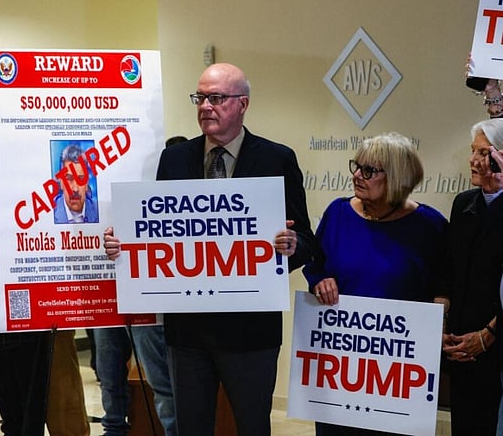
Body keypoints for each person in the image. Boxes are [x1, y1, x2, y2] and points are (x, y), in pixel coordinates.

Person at [104, 62, 316, 435]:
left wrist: (291, 245)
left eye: (216, 98)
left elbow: (306, 243)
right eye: (200, 97)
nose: (205, 106)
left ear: (243, 104)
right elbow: (160, 232)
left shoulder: (276, 159)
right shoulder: (174, 159)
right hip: (188, 332)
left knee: (252, 426)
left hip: (251, 333)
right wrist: (126, 246)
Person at [303, 132, 447, 435]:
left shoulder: (430, 225)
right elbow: (315, 263)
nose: (357, 175)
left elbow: (446, 284)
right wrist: (319, 280)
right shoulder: (338, 213)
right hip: (340, 363)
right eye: (357, 166)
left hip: (397, 370)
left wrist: (441, 309)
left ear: (397, 176)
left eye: (369, 170)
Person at [434, 119, 503, 435]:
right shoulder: (464, 204)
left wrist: (487, 336)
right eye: (473, 151)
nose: (473, 160)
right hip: (460, 348)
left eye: (483, 153)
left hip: (495, 350)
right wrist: (444, 326)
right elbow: (448, 270)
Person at [53, 143, 99, 224]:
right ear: (61, 182)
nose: (75, 189)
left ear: (86, 184)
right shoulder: (49, 213)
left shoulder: (99, 210)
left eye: (81, 179)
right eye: (69, 179)